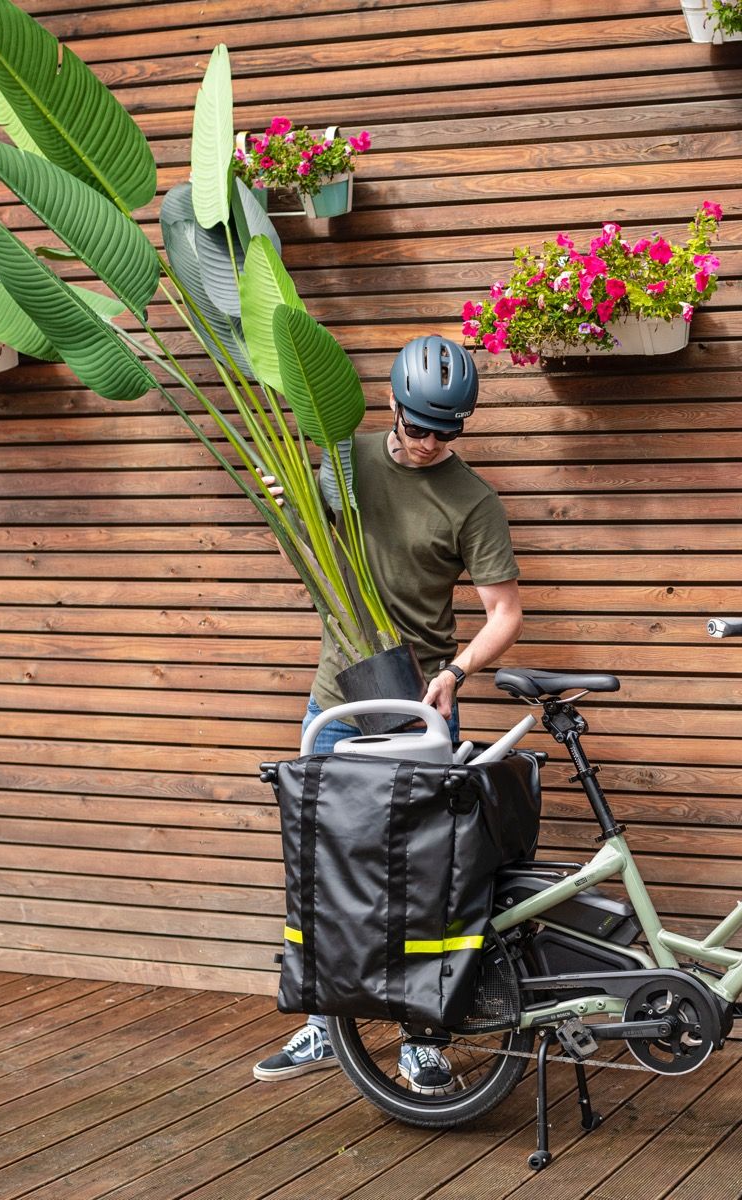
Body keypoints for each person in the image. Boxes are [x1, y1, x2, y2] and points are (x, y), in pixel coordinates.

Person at [254, 335, 524, 1092]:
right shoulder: (345, 461)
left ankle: (420, 1037)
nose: (429, 443)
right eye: (418, 427)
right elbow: (309, 553)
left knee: (421, 878)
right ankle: (322, 1024)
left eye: (446, 431)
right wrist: (288, 508)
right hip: (337, 700)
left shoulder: (472, 500)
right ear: (396, 408)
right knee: (327, 869)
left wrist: (457, 672)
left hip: (418, 705)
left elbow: (505, 613)